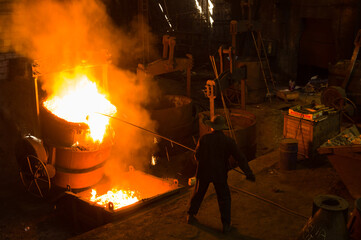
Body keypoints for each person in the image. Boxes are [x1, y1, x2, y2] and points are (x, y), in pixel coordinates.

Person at [187, 115, 255, 233]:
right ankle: (226, 225)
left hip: (204, 172)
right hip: (220, 174)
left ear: (211, 127)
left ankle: (190, 216)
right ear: (222, 128)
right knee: (224, 198)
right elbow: (240, 158)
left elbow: (196, 156)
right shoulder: (228, 141)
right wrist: (249, 173)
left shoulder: (204, 139)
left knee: (198, 193)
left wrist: (202, 160)